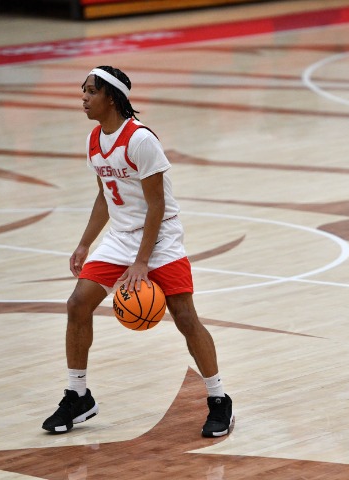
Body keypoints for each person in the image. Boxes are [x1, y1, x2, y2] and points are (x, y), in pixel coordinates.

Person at [42, 66, 233, 438]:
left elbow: (156, 205)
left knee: (185, 317)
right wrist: (85, 243)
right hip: (119, 238)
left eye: (90, 91)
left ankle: (219, 398)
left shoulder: (140, 140)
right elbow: (104, 197)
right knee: (77, 303)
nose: (83, 98)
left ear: (111, 97)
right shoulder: (94, 140)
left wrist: (142, 262)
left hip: (160, 239)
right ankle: (78, 396)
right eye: (84, 91)